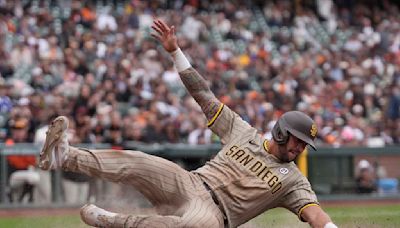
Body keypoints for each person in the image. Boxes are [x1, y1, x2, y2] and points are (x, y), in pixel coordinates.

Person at [38, 19, 337, 228]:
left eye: (303, 144)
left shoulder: (292, 180)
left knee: (190, 226)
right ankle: (64, 156)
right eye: (297, 139)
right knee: (138, 162)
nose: (299, 147)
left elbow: (315, 214)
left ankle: (111, 222)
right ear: (281, 131)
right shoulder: (243, 132)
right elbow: (204, 95)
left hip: (216, 214)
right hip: (190, 182)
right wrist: (175, 52)